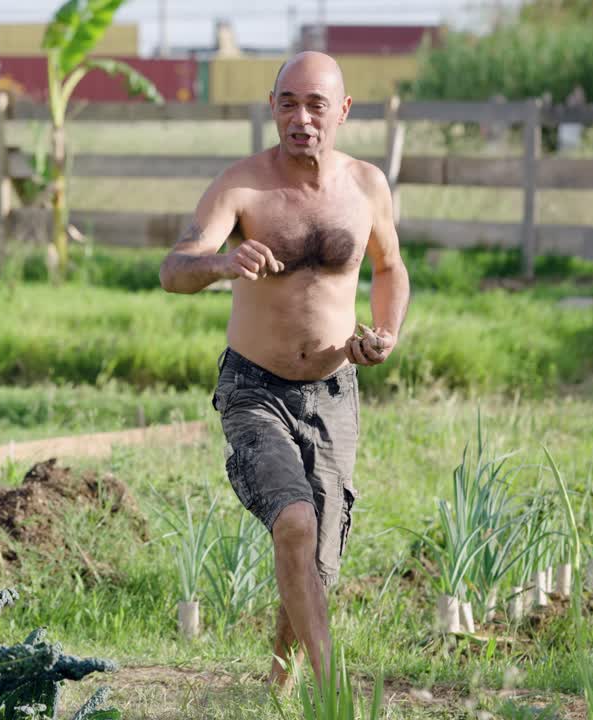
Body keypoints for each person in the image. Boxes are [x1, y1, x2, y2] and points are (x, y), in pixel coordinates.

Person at [157, 51, 410, 688]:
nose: (301, 118)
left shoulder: (367, 186)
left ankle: (279, 681)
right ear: (272, 107)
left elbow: (388, 268)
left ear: (343, 111)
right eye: (288, 103)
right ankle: (333, 691)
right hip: (254, 389)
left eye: (316, 105)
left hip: (334, 388)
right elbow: (173, 269)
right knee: (293, 522)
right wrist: (221, 264)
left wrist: (385, 335)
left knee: (317, 557)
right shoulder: (242, 184)